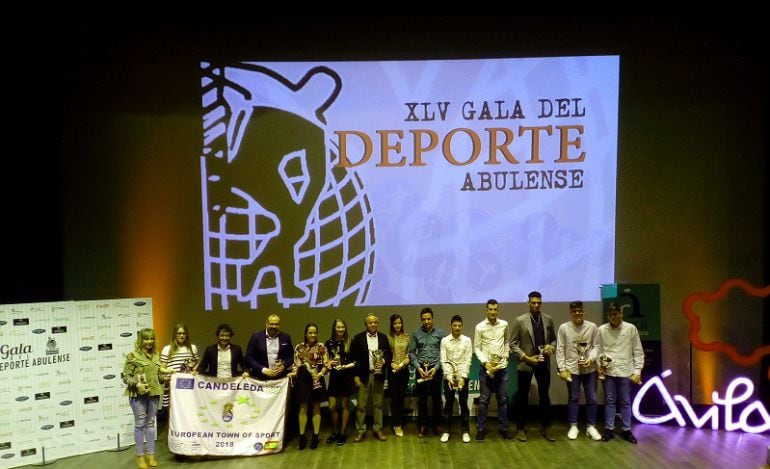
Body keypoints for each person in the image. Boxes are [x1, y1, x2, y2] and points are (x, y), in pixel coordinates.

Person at [123, 328, 175, 469]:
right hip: (138, 396)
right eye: (146, 339)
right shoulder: (132, 356)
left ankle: (151, 454)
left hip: (154, 394)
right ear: (140, 340)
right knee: (140, 424)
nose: (149, 342)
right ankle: (140, 456)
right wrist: (137, 383)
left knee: (151, 424)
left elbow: (158, 376)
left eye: (151, 338)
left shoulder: (157, 356)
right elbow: (125, 377)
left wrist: (163, 377)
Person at [510, 290, 557, 442]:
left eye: (538, 303)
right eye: (533, 302)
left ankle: (546, 427)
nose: (536, 305)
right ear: (528, 303)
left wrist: (551, 348)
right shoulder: (519, 320)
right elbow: (512, 344)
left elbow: (554, 340)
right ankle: (520, 428)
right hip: (526, 363)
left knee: (544, 396)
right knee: (523, 397)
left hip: (543, 362)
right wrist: (526, 357)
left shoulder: (548, 319)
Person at [597, 301, 645, 444]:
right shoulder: (601, 330)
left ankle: (626, 430)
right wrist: (600, 366)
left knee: (625, 401)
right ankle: (609, 429)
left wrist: (637, 371)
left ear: (621, 313)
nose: (613, 316)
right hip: (609, 371)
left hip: (626, 371)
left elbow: (638, 351)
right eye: (610, 314)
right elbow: (598, 349)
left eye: (615, 313)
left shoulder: (631, 328)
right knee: (610, 401)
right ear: (608, 315)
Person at [555, 301, 602, 441]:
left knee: (592, 398)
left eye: (580, 311)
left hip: (590, 369)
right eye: (574, 311)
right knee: (573, 398)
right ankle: (573, 425)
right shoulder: (564, 328)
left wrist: (591, 359)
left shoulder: (592, 327)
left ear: (583, 311)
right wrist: (562, 369)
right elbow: (560, 349)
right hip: (572, 369)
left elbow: (597, 346)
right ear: (570, 313)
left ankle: (591, 427)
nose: (577, 313)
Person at [473, 298, 512, 441]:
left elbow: (507, 341)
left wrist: (506, 356)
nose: (493, 312)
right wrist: (485, 362)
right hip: (486, 368)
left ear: (498, 310)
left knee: (502, 399)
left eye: (495, 309)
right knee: (484, 400)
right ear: (486, 310)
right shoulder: (479, 327)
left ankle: (504, 428)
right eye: (490, 309)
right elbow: (477, 347)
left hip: (502, 367)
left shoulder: (504, 324)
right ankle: (481, 429)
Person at [350, 313, 392, 442]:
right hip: (363, 376)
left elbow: (389, 355)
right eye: (370, 322)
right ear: (366, 324)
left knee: (378, 405)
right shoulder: (358, 338)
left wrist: (383, 361)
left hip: (378, 375)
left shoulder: (384, 338)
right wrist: (356, 376)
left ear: (377, 323)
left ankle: (378, 430)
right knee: (361, 406)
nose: (373, 325)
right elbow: (354, 359)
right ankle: (361, 431)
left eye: (375, 322)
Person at [288, 323, 329, 450]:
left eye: (315, 332)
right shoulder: (299, 347)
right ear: (306, 334)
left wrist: (320, 374)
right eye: (310, 332)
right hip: (303, 380)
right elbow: (295, 364)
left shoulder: (321, 347)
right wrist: (293, 373)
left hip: (317, 379)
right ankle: (302, 436)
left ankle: (315, 436)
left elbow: (327, 364)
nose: (313, 335)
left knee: (317, 407)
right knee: (303, 408)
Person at [408, 307, 445, 438]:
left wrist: (436, 368)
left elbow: (444, 353)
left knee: (436, 398)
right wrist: (418, 367)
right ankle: (422, 425)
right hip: (421, 370)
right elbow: (412, 353)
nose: (426, 321)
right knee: (422, 399)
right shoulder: (415, 333)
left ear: (432, 318)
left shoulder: (440, 333)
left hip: (435, 369)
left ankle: (436, 425)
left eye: (428, 318)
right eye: (424, 319)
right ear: (421, 320)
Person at [439, 315, 472, 443]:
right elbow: (444, 360)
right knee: (448, 405)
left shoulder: (467, 340)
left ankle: (465, 431)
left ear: (462, 326)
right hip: (449, 378)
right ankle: (446, 431)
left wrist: (463, 377)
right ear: (451, 326)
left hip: (463, 377)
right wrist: (448, 377)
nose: (457, 328)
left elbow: (468, 359)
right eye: (454, 325)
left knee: (464, 404)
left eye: (459, 326)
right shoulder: (445, 341)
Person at [325, 318, 356, 446]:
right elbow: (325, 360)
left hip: (346, 376)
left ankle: (342, 433)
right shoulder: (328, 342)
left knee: (344, 405)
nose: (340, 329)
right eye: (338, 327)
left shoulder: (350, 342)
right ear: (334, 328)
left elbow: (355, 361)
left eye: (342, 327)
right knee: (332, 406)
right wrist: (329, 363)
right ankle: (335, 431)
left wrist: (344, 366)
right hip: (334, 377)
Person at [160, 323, 199, 412]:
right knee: (173, 413)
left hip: (188, 386)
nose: (181, 336)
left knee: (188, 411)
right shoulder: (167, 349)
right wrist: (168, 370)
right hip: (172, 386)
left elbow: (196, 364)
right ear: (175, 334)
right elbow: (162, 368)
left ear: (186, 335)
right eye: (179, 333)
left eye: (183, 333)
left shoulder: (193, 348)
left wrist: (195, 371)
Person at [245, 314, 293, 379]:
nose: (274, 326)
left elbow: (291, 356)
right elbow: (249, 357)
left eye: (276, 324)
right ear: (266, 324)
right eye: (271, 324)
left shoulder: (285, 337)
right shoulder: (256, 337)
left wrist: (284, 366)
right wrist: (263, 370)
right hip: (260, 376)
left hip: (280, 377)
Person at [387, 314, 411, 437]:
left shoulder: (407, 337)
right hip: (392, 372)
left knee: (401, 398)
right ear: (392, 324)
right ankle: (396, 424)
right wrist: (392, 364)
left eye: (399, 323)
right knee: (394, 398)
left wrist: (407, 360)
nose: (398, 325)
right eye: (395, 323)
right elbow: (386, 355)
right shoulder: (388, 338)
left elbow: (409, 354)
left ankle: (399, 422)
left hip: (404, 371)